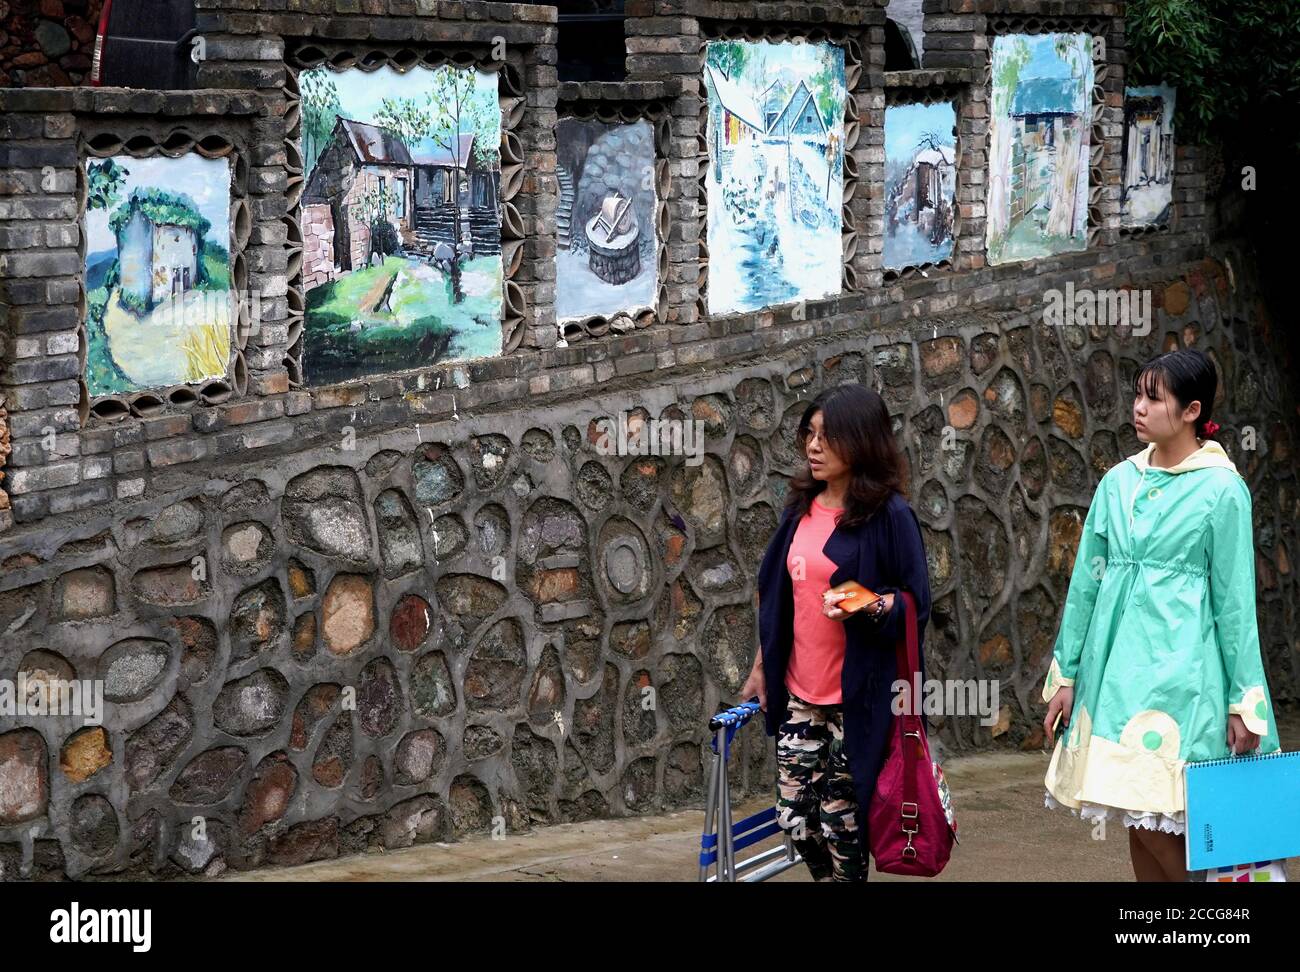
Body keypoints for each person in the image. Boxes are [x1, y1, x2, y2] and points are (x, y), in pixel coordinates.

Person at [1041, 348, 1279, 881]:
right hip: (1115, 675)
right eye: (1137, 394)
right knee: (1134, 816)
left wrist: (1245, 699)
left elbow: (1236, 603)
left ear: (1192, 410)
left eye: (1155, 397)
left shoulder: (1222, 489)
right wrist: (1067, 671)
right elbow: (1086, 584)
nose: (1139, 408)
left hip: (1184, 677)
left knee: (1165, 819)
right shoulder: (1117, 482)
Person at [740, 383, 931, 882]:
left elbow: (916, 602)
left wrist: (864, 603)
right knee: (796, 818)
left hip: (860, 698)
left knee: (841, 823)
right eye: (810, 434)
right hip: (800, 692)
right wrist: (763, 668)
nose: (813, 446)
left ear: (861, 440)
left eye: (827, 436)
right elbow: (779, 599)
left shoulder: (890, 515)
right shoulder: (799, 509)